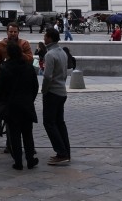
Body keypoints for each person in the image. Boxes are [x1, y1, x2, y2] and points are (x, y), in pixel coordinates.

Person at [0, 40, 39, 170]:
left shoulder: (5, 67)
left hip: (11, 106)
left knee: (14, 135)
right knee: (27, 134)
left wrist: (2, 98)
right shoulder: (28, 67)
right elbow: (35, 86)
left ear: (8, 53)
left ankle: (18, 161)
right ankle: (30, 159)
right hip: (26, 105)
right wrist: (30, 99)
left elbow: (0, 88)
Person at [41, 27, 70, 165]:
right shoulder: (62, 52)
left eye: (45, 36)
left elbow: (47, 76)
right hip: (62, 91)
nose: (43, 38)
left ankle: (61, 152)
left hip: (52, 92)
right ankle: (66, 151)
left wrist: (44, 90)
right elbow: (64, 72)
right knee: (60, 123)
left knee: (49, 123)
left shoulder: (50, 54)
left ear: (50, 38)